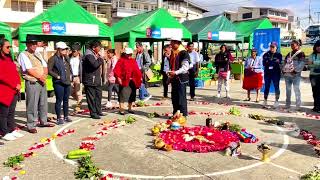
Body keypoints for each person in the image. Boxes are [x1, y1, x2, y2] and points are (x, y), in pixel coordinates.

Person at [18, 37, 55, 134]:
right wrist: (41, 77)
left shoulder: (37, 53)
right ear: (27, 44)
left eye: (35, 43)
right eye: (32, 43)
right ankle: (31, 125)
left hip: (41, 80)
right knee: (32, 104)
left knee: (43, 103)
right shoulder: (23, 54)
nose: (34, 45)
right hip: (32, 81)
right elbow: (29, 69)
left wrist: (44, 75)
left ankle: (43, 121)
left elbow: (45, 66)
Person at [0, 39, 24, 141]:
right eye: (7, 47)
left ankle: (11, 129)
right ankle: (4, 132)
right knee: (3, 114)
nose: (9, 49)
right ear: (0, 47)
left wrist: (18, 84)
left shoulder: (9, 59)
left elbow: (15, 73)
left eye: (10, 47)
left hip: (13, 90)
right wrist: (14, 84)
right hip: (4, 91)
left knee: (11, 112)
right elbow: (2, 76)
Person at [48, 42, 72, 125]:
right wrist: (57, 76)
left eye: (66, 49)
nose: (65, 50)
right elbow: (49, 70)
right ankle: (59, 118)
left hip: (67, 82)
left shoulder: (66, 57)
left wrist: (70, 77)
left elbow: (69, 68)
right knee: (59, 100)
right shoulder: (53, 58)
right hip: (58, 83)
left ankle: (66, 116)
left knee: (66, 100)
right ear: (58, 50)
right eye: (63, 49)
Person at [113, 48, 142, 115]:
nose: (129, 55)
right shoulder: (121, 60)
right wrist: (119, 78)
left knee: (132, 95)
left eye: (130, 54)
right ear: (125, 54)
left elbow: (136, 70)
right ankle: (121, 109)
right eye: (128, 54)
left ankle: (130, 108)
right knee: (122, 95)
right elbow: (117, 70)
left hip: (132, 81)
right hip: (124, 81)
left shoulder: (133, 60)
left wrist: (139, 77)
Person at [167, 37, 190, 117]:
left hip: (181, 79)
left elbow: (185, 67)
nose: (170, 44)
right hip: (174, 78)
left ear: (177, 42)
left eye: (172, 42)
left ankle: (183, 115)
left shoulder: (183, 52)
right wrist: (170, 74)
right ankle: (175, 114)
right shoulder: (173, 52)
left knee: (181, 98)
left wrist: (175, 72)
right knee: (174, 97)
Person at [82, 40, 104, 119]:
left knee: (98, 95)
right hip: (90, 80)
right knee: (91, 97)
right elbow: (95, 65)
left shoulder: (95, 54)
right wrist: (100, 59)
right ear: (94, 48)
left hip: (97, 79)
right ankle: (93, 113)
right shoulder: (88, 54)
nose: (100, 49)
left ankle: (98, 110)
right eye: (99, 47)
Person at [283, 40, 306, 111]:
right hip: (287, 75)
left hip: (296, 75)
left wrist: (295, 71)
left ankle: (298, 105)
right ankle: (287, 104)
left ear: (298, 45)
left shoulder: (301, 54)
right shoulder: (289, 53)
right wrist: (283, 70)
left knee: (296, 89)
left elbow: (302, 64)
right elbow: (284, 62)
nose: (292, 46)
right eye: (291, 44)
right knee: (288, 90)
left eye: (293, 44)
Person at [262, 42, 283, 108]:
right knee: (266, 87)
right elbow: (264, 63)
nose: (272, 48)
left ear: (276, 47)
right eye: (271, 46)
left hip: (276, 73)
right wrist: (272, 61)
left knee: (276, 87)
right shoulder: (266, 54)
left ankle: (276, 101)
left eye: (273, 47)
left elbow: (278, 62)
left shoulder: (279, 55)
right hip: (267, 73)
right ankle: (265, 100)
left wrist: (269, 61)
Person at [69, 43, 83, 111]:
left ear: (78, 51)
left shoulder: (81, 58)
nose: (73, 52)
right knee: (70, 92)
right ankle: (79, 101)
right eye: (72, 51)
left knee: (78, 92)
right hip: (71, 77)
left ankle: (78, 105)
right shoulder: (68, 57)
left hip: (78, 77)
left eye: (74, 51)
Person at [308, 40, 320, 112]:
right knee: (314, 91)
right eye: (317, 46)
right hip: (313, 76)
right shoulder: (312, 55)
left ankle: (319, 107)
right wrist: (315, 63)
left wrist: (313, 62)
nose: (318, 48)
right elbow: (309, 64)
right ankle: (316, 106)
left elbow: (312, 63)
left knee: (319, 92)